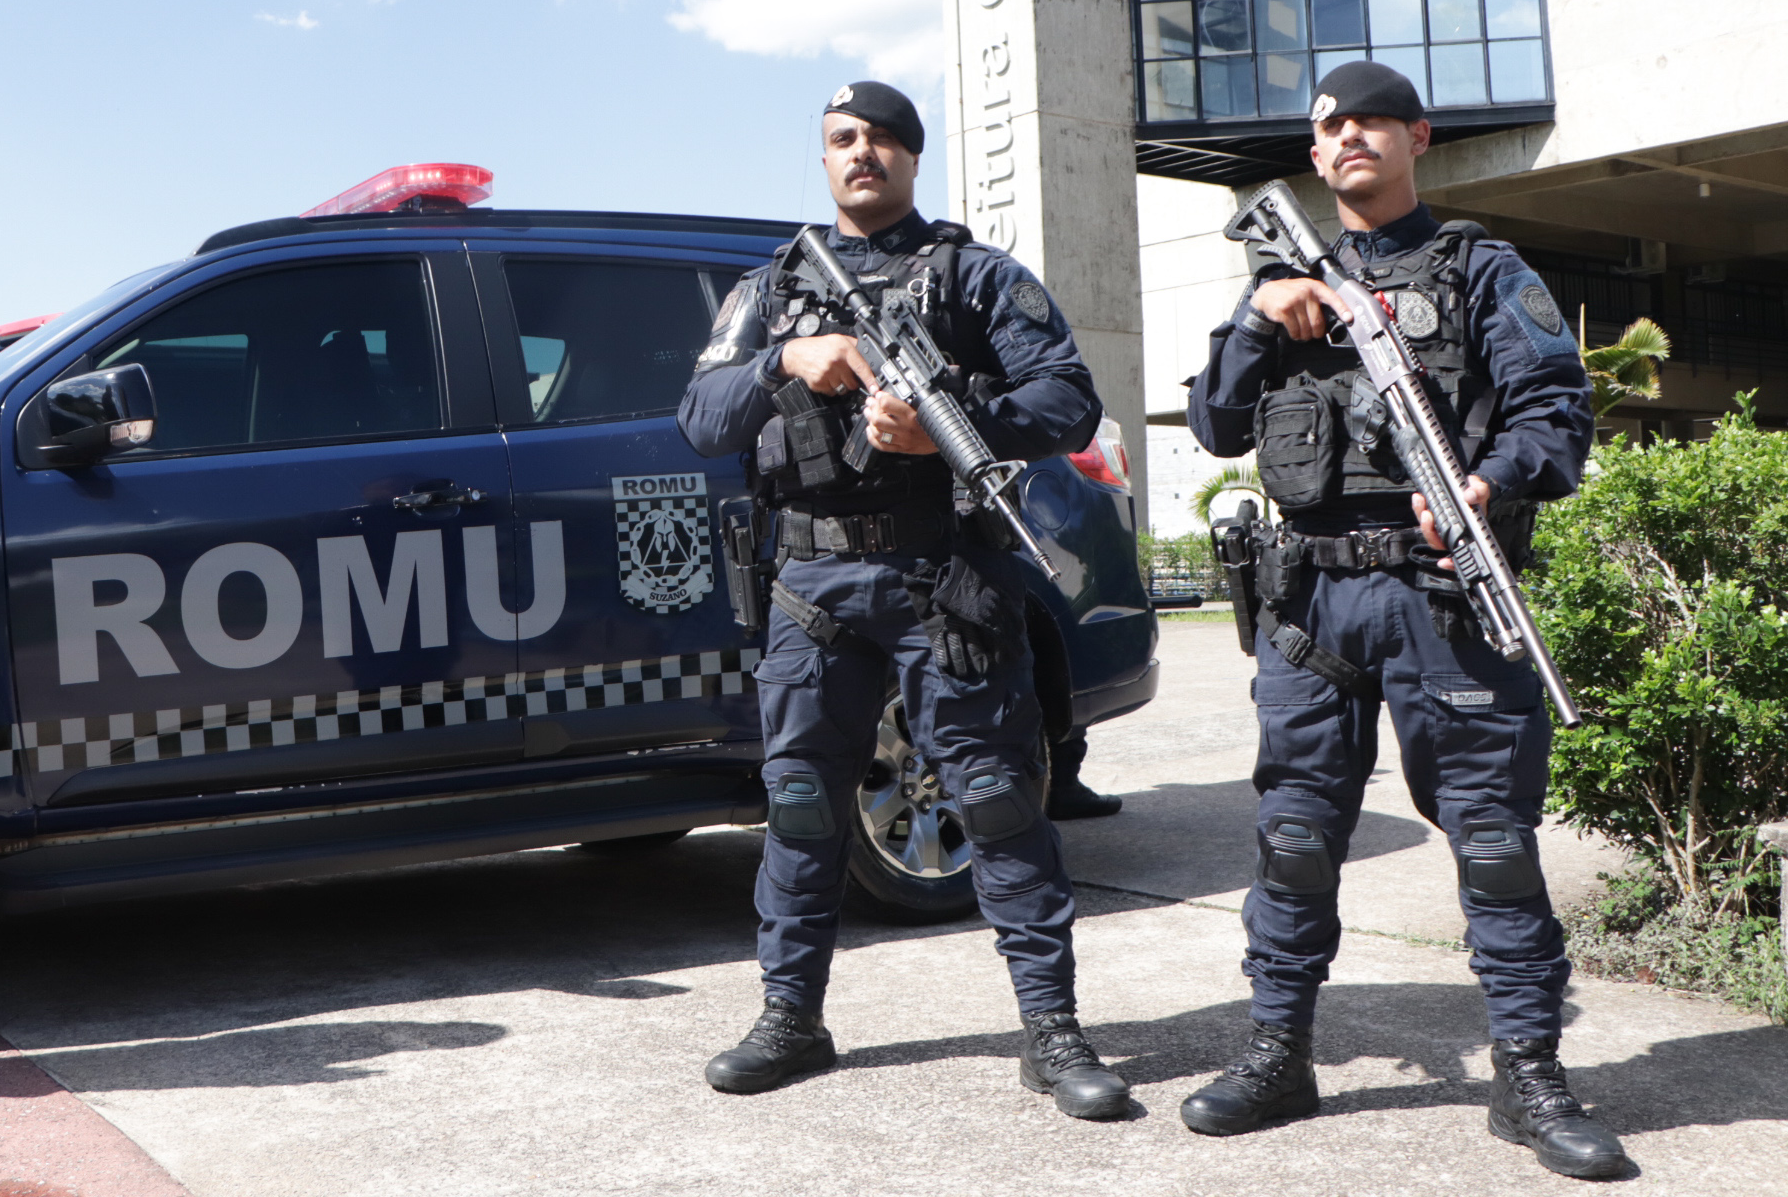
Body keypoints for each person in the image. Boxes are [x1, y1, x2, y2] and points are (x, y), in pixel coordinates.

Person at [1183, 62, 1622, 1180]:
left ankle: (1529, 1073)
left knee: (1494, 845)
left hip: (1443, 595)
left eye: (1370, 117)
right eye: (1328, 125)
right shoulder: (1279, 286)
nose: (1347, 136)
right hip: (1311, 602)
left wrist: (1489, 482)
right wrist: (1253, 313)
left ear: (1416, 135)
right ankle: (1278, 1053)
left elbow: (1555, 412)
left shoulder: (1480, 266)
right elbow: (1219, 422)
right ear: (1316, 153)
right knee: (1293, 841)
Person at [677, 81, 1129, 1119]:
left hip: (944, 578)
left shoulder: (974, 277)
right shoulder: (771, 289)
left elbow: (1067, 400)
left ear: (913, 157)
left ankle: (1052, 1031)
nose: (861, 152)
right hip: (810, 584)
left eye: (881, 137)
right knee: (799, 806)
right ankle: (792, 1016)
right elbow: (702, 416)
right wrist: (789, 359)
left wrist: (946, 419)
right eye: (841, 138)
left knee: (1000, 801)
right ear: (824, 158)